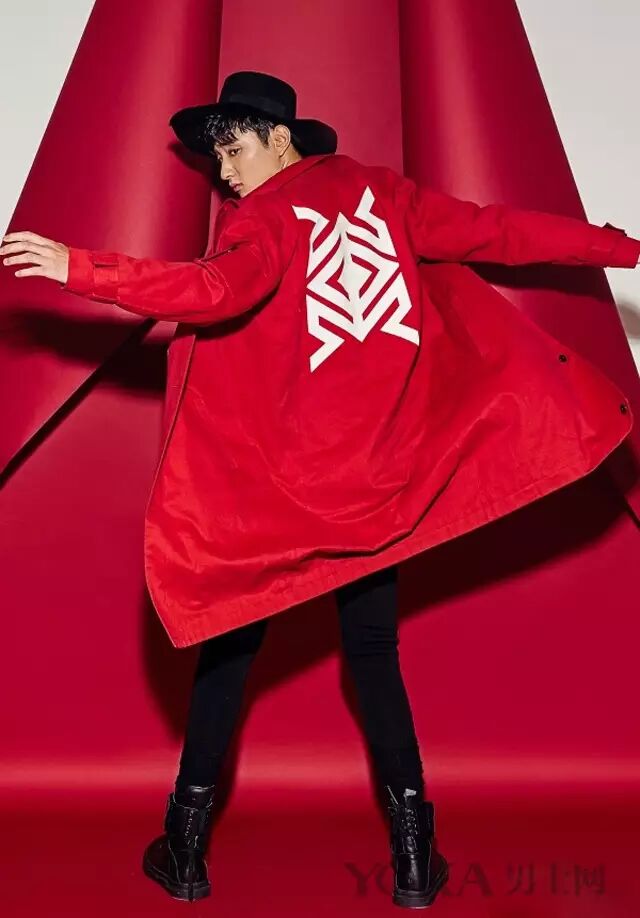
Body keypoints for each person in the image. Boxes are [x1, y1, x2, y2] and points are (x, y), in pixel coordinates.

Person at [2, 69, 639, 908]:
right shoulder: (385, 194)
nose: (226, 171)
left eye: (234, 148)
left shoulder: (263, 219)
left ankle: (184, 850)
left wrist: (80, 267)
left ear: (279, 136)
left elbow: (214, 291)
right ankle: (414, 858)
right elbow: (498, 231)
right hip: (381, 483)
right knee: (373, 655)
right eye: (216, 158)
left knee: (229, 650)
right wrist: (620, 246)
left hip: (286, 493)